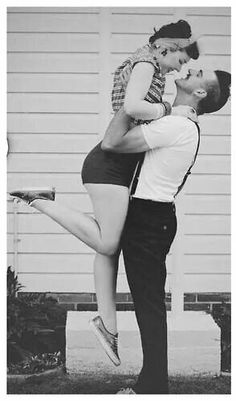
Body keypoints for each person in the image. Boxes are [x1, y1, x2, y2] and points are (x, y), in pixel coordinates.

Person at [9, 20, 199, 367]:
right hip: (108, 166)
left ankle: (107, 326)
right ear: (166, 47)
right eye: (181, 59)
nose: (179, 68)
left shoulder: (150, 66)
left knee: (107, 244)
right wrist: (169, 110)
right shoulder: (146, 64)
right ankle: (40, 200)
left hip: (116, 167)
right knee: (109, 243)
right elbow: (132, 107)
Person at [100, 68, 231, 394]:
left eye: (201, 74)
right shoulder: (178, 123)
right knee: (149, 303)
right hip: (150, 217)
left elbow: (111, 143)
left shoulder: (177, 124)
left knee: (149, 305)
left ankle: (152, 388)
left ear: (199, 94)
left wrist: (130, 102)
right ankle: (152, 384)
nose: (193, 68)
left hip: (148, 220)